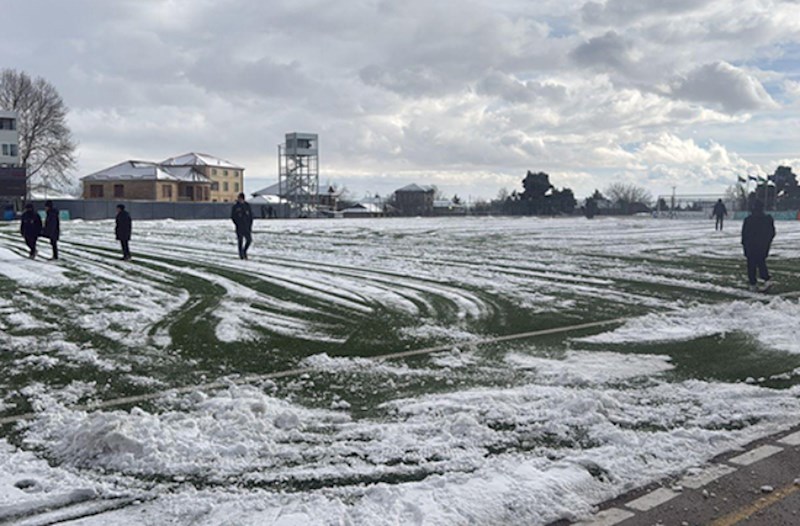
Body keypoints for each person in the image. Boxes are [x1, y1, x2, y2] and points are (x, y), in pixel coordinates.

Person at [741, 199, 775, 292]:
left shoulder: (748, 220)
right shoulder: (768, 219)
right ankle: (766, 279)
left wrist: (744, 244)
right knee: (761, 262)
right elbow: (772, 232)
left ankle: (753, 284)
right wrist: (767, 242)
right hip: (763, 245)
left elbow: (744, 234)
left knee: (751, 265)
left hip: (751, 246)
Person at [231, 192, 254, 259]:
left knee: (249, 240)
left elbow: (250, 216)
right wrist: (237, 223)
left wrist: (250, 225)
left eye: (241, 199)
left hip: (246, 226)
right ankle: (241, 254)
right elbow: (233, 216)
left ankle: (244, 251)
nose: (240, 200)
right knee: (240, 240)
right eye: (239, 198)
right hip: (239, 227)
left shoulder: (247, 205)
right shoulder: (236, 206)